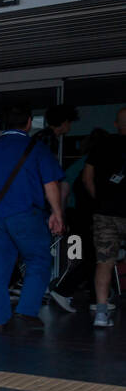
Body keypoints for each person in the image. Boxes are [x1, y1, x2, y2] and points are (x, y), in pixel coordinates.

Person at [0, 105, 64, 331]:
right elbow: (50, 184)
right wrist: (57, 213)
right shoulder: (36, 148)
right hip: (26, 215)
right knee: (39, 260)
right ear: (28, 123)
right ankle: (27, 310)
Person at [81, 107, 126, 329]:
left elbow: (87, 177)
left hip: (105, 213)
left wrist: (100, 200)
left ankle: (100, 313)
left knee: (104, 262)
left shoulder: (102, 145)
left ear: (116, 124)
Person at [49, 126, 100, 313]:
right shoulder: (87, 165)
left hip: (73, 213)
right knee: (90, 256)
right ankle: (65, 289)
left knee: (85, 255)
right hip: (80, 214)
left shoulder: (78, 164)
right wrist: (59, 214)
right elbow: (64, 189)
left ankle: (95, 296)